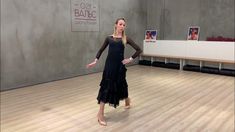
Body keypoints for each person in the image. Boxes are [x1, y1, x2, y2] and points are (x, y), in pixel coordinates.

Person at [86, 17, 142, 126]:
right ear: (116, 25)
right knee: (106, 87)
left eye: (124, 25)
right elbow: (101, 50)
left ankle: (127, 100)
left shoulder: (126, 39)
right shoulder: (109, 38)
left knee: (121, 84)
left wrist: (129, 59)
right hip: (109, 67)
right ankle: (100, 114)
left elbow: (139, 50)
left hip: (119, 67)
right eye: (120, 24)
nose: (122, 26)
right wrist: (95, 60)